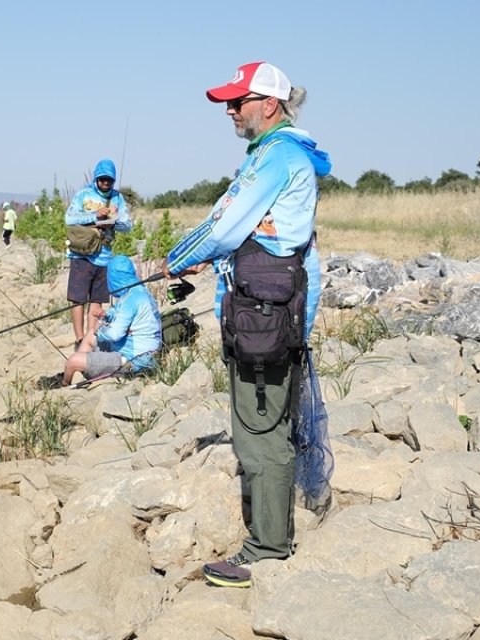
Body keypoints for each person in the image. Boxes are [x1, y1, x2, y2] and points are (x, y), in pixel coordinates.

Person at [161, 62, 331, 589]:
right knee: (269, 422)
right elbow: (240, 231)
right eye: (228, 103)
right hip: (268, 309)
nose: (230, 111)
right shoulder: (276, 153)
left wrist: (176, 257)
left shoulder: (277, 155)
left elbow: (224, 225)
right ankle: (271, 533)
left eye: (239, 101)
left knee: (258, 430)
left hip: (264, 315)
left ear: (270, 104)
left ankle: (267, 550)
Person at [40, 255, 161, 388]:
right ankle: (84, 370)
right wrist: (106, 316)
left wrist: (100, 330)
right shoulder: (138, 292)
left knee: (72, 361)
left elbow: (115, 334)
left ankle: (64, 384)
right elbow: (120, 314)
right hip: (142, 352)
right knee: (91, 335)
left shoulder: (131, 299)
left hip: (133, 360)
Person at [65, 158, 132, 347]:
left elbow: (128, 225)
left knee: (97, 301)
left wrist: (114, 221)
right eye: (102, 179)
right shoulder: (83, 194)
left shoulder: (118, 198)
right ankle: (79, 338)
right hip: (82, 255)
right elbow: (69, 218)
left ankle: (89, 339)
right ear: (96, 179)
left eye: (109, 180)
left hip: (104, 258)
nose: (105, 183)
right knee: (77, 299)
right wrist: (96, 215)